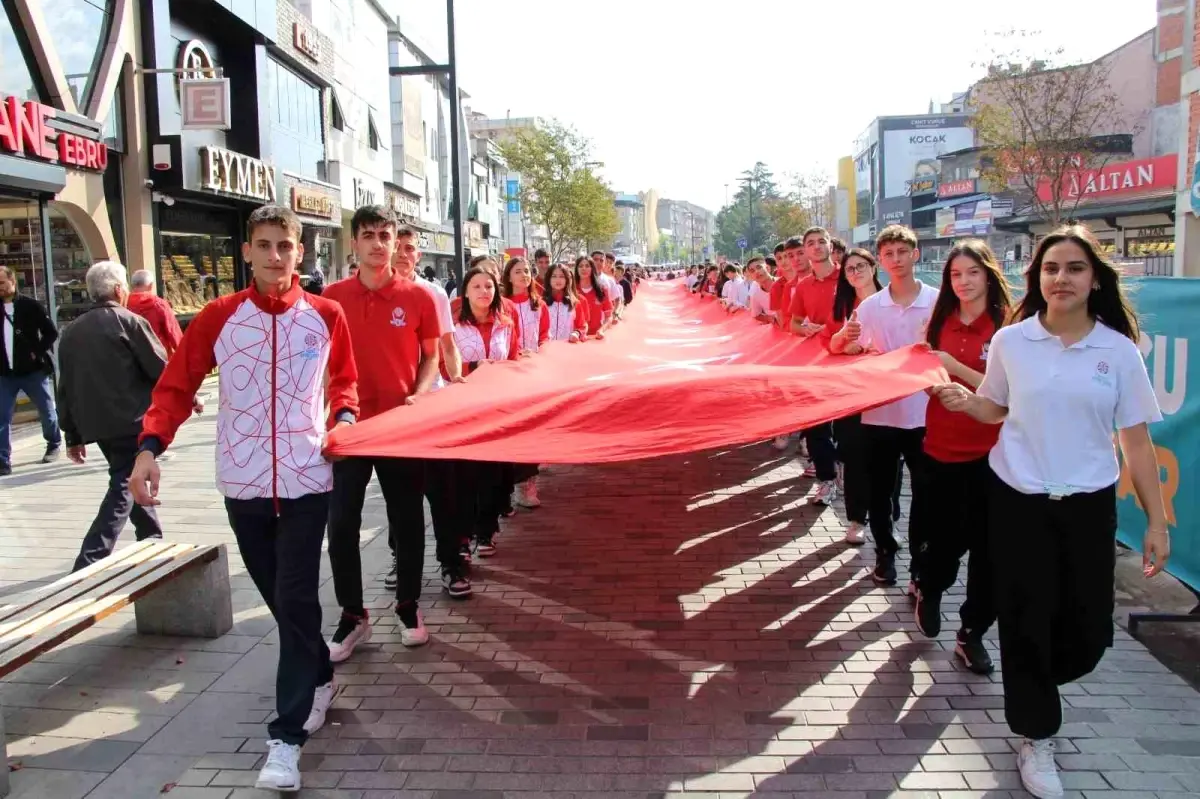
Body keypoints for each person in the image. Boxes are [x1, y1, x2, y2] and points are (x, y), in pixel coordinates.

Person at [931, 225, 1169, 799]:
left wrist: (1157, 522)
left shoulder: (1117, 350)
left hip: (1087, 506)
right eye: (1051, 269)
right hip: (1017, 501)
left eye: (1075, 268)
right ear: (1037, 279)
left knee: (1087, 633)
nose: (1062, 279)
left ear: (1094, 280)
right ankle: (1037, 734)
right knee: (1025, 621)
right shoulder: (1014, 341)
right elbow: (995, 406)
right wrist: (968, 402)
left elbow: (1135, 441)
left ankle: (1037, 680)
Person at [130, 204, 359, 792]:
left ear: (300, 252)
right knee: (287, 607)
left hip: (309, 481)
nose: (275, 256)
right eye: (264, 245)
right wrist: (149, 447)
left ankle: (284, 741)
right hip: (244, 482)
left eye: (285, 245)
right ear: (247, 252)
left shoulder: (326, 315)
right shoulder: (218, 316)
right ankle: (317, 678)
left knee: (295, 596)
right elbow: (176, 384)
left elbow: (344, 382)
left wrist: (346, 417)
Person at [322, 206, 442, 661]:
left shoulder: (419, 297)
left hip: (400, 427)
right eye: (368, 234)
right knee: (341, 523)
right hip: (349, 427)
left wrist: (421, 392)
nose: (377, 242)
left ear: (396, 242)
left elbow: (430, 356)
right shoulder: (332, 298)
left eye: (384, 235)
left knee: (408, 520)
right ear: (354, 242)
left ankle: (408, 606)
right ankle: (353, 615)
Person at [912, 240, 1013, 678]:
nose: (964, 282)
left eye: (972, 272)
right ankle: (930, 588)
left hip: (997, 457)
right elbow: (921, 375)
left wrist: (957, 367)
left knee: (991, 553)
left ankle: (971, 633)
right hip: (941, 451)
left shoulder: (1009, 327)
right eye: (955, 275)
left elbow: (1007, 389)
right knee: (945, 546)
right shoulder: (938, 323)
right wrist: (934, 384)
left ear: (988, 274)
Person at [57, 262, 176, 570]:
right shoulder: (129, 322)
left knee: (126, 476)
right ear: (120, 290)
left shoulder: (71, 331)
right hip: (131, 420)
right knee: (123, 483)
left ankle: (151, 537)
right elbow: (160, 369)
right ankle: (90, 558)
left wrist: (72, 434)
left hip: (95, 423)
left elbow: (64, 387)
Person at [850, 225, 938, 587]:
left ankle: (921, 561)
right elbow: (852, 347)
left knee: (925, 494)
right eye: (889, 254)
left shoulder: (937, 300)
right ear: (880, 261)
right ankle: (885, 552)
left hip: (926, 414)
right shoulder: (870, 307)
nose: (896, 260)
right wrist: (845, 342)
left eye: (903, 252)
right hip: (880, 414)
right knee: (880, 493)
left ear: (915, 255)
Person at [391, 227, 472, 599]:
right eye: (398, 247)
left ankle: (450, 562)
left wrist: (456, 381)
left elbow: (447, 345)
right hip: (391, 413)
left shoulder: (434, 293)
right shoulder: (362, 296)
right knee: (398, 493)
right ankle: (400, 559)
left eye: (410, 249)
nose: (403, 254)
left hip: (431, 407)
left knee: (443, 491)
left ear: (418, 256)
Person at [452, 266, 521, 556]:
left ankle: (486, 531)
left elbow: (515, 358)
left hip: (497, 406)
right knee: (464, 475)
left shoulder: (506, 322)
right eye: (477, 286)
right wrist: (473, 368)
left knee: (492, 474)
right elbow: (445, 366)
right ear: (465, 291)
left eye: (489, 287)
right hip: (462, 407)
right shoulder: (453, 324)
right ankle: (463, 536)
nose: (484, 292)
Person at [788, 227, 842, 505]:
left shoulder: (848, 277)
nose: (817, 247)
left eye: (822, 242)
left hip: (846, 361)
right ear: (807, 251)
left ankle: (841, 470)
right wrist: (804, 328)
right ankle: (826, 481)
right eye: (811, 243)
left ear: (830, 246)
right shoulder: (803, 286)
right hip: (815, 362)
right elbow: (793, 322)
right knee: (819, 426)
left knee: (845, 430)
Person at [0, 265, 61, 474]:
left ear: (12, 281)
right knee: (2, 417)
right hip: (5, 374)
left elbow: (51, 332)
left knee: (46, 410)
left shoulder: (30, 306)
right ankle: (3, 460)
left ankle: (53, 443)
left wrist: (37, 351)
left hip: (32, 371)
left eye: (1, 283)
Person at [125, 270, 184, 357]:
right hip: (158, 355)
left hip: (133, 355)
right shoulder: (159, 304)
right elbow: (173, 332)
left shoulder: (124, 304)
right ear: (151, 285)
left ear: (133, 285)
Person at [543, 263, 588, 342]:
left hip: (568, 348)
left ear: (567, 279)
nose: (558, 280)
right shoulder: (541, 303)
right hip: (545, 348)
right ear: (548, 279)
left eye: (562, 276)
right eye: (554, 276)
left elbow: (582, 326)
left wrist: (576, 333)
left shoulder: (574, 303)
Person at [575, 255, 612, 339]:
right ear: (576, 269)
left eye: (587, 266)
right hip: (575, 337)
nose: (584, 268)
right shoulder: (570, 290)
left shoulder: (602, 290)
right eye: (580, 266)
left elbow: (609, 316)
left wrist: (602, 330)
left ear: (592, 269)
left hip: (594, 337)